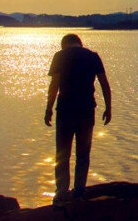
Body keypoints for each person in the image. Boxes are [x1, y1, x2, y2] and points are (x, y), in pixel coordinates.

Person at [44, 33, 112, 203]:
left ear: (64, 44)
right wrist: (108, 108)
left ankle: (61, 193)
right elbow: (104, 83)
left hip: (66, 109)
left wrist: (48, 109)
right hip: (86, 110)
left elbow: (54, 85)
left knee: (62, 153)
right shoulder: (93, 56)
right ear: (79, 44)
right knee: (83, 153)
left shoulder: (60, 56)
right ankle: (79, 191)